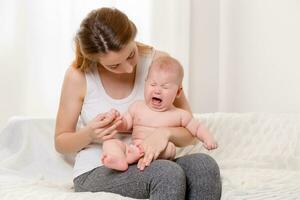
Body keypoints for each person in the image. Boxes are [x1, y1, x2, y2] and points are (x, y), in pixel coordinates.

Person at [54, 7, 222, 200]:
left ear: (133, 34)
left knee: (204, 165)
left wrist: (164, 133)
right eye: (114, 65)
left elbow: (190, 135)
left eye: (130, 55)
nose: (127, 68)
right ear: (95, 60)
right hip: (98, 169)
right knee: (166, 173)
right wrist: (89, 133)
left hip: (153, 161)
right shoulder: (78, 76)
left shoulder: (159, 63)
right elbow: (61, 142)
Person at [101, 56, 218, 171]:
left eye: (164, 87)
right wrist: (117, 120)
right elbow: (125, 124)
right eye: (153, 84)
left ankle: (138, 157)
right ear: (145, 84)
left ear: (178, 92)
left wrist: (208, 138)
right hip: (134, 148)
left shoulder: (179, 115)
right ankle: (119, 159)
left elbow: (197, 128)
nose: (157, 90)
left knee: (170, 148)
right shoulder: (137, 107)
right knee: (110, 143)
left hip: (158, 154)